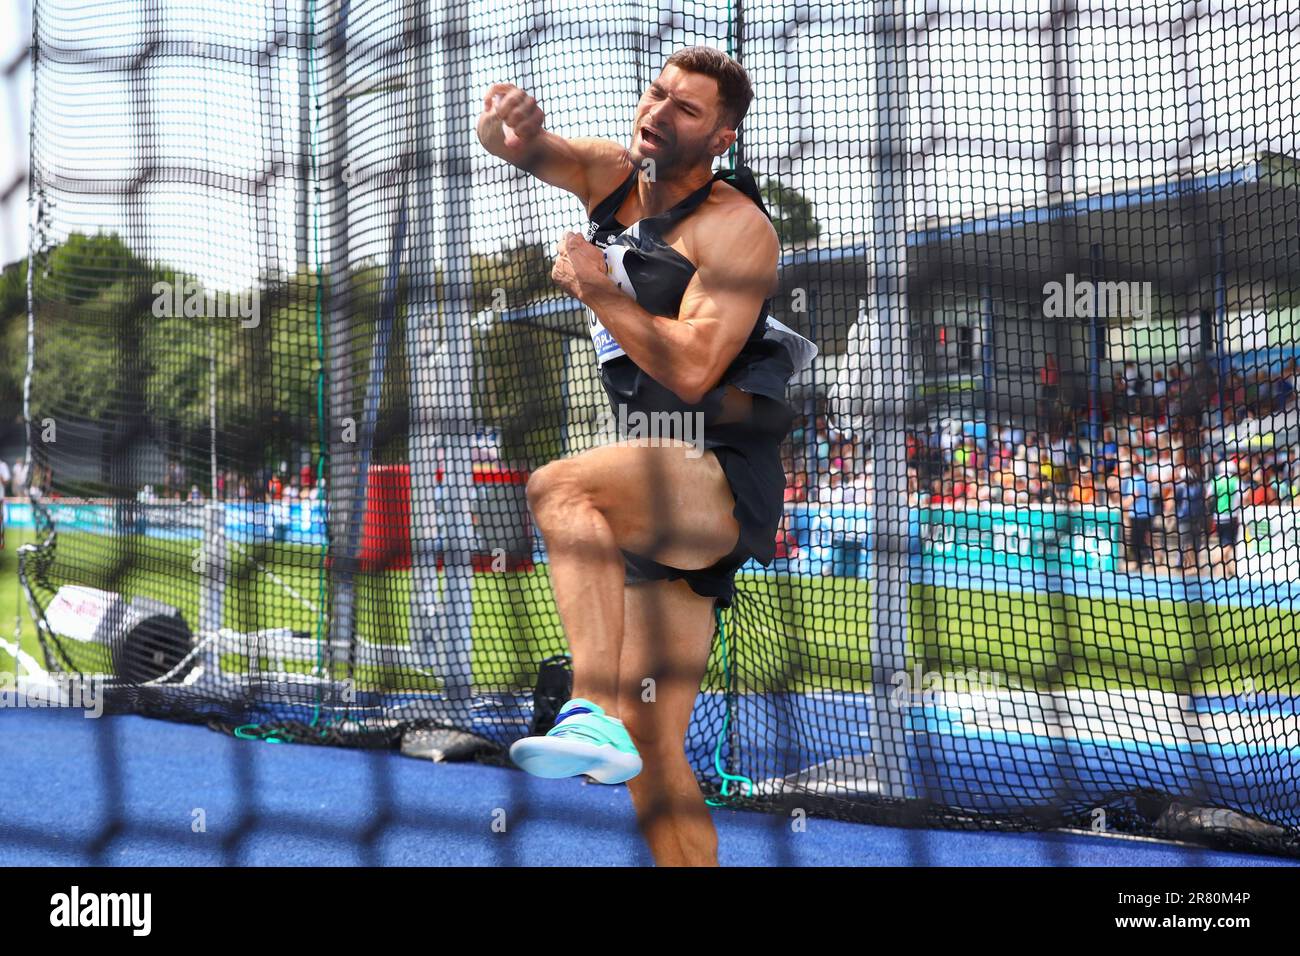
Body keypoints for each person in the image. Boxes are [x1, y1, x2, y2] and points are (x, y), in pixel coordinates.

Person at [480, 48, 808, 866]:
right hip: (657, 481)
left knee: (561, 487)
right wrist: (501, 128)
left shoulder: (738, 231)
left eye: (686, 109)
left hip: (718, 469)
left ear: (722, 137)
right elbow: (524, 148)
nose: (660, 111)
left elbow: (695, 370)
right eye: (657, 93)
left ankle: (587, 707)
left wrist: (597, 290)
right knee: (655, 759)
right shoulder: (611, 175)